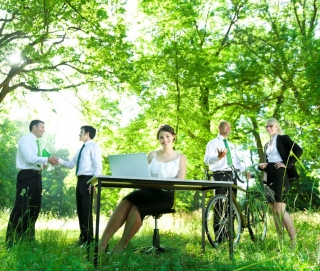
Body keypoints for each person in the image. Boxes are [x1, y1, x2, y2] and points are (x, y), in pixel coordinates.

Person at [97, 124, 186, 255]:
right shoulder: (152, 155)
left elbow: (181, 180)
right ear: (158, 139)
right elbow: (139, 172)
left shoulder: (180, 157)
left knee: (136, 209)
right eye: (161, 137)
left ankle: (121, 247)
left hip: (165, 195)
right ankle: (101, 245)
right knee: (126, 202)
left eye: (167, 136)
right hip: (147, 191)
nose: (164, 139)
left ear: (173, 137)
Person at [6, 120, 58, 246]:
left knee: (34, 208)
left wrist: (43, 164)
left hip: (37, 176)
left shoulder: (38, 143)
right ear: (34, 127)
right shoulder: (25, 140)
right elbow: (29, 158)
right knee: (21, 207)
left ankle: (27, 240)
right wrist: (46, 159)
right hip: (26, 176)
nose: (44, 130)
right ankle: (11, 240)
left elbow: (37, 160)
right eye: (42, 127)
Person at [258, 118, 303, 248]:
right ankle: (281, 242)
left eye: (271, 126)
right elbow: (268, 161)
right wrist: (261, 166)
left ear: (277, 127)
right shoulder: (267, 144)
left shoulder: (283, 139)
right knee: (273, 209)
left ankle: (294, 241)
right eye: (266, 127)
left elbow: (299, 151)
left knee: (280, 209)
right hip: (269, 175)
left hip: (280, 174)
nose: (268, 128)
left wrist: (286, 164)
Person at [57, 125, 102, 247]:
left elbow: (98, 166)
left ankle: (89, 240)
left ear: (87, 134)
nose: (79, 134)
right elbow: (71, 164)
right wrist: (58, 160)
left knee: (87, 211)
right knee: (81, 210)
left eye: (81, 132)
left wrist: (93, 183)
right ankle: (83, 238)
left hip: (88, 180)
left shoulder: (94, 146)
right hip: (80, 180)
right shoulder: (80, 149)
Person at [204, 120, 247, 243]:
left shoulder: (232, 145)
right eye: (226, 126)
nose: (229, 128)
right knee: (219, 206)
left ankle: (231, 236)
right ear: (219, 128)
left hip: (232, 176)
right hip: (219, 175)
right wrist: (218, 157)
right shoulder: (212, 143)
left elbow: (236, 162)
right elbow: (206, 161)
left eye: (230, 126)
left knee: (231, 207)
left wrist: (244, 172)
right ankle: (219, 238)